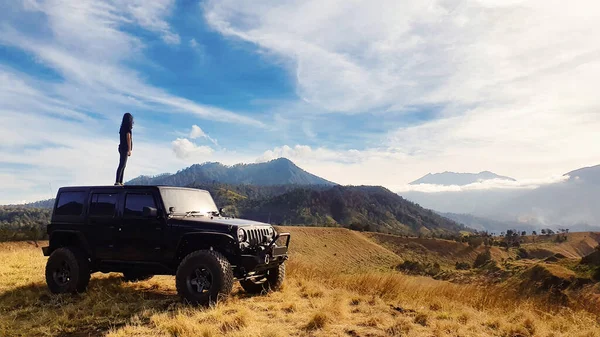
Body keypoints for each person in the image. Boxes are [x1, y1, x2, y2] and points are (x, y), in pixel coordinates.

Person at [115, 113, 134, 186]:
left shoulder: (122, 128)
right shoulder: (127, 129)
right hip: (125, 148)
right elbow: (128, 138)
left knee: (122, 164)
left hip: (121, 147)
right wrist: (129, 149)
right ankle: (118, 181)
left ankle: (120, 181)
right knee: (122, 164)